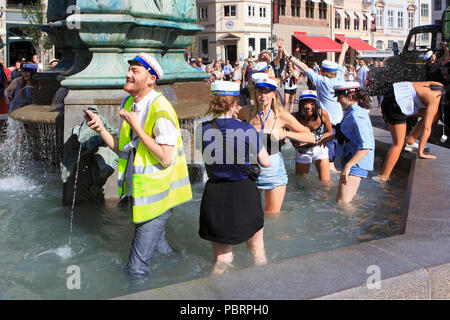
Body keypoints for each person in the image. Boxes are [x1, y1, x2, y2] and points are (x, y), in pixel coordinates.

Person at [84, 53, 192, 279]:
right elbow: (123, 149)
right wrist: (100, 129)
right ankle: (186, 273)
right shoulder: (129, 103)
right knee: (161, 251)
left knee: (136, 269)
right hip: (145, 195)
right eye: (129, 69)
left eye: (135, 70)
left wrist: (137, 127)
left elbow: (165, 157)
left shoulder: (161, 108)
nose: (128, 74)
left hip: (158, 197)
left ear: (151, 79)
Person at [197, 81, 270, 275]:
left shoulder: (202, 129)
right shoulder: (246, 129)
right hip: (244, 192)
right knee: (257, 251)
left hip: (215, 194)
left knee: (223, 260)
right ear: (234, 103)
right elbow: (266, 162)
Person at [238, 75, 315, 214]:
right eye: (260, 91)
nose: (263, 95)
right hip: (250, 172)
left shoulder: (281, 116)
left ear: (274, 94)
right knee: (249, 215)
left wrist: (286, 134)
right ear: (255, 93)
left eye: (267, 92)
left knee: (272, 217)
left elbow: (310, 137)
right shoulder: (246, 112)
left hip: (274, 173)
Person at [288, 41, 349, 172]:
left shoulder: (322, 81)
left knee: (328, 157)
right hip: (341, 122)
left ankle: (330, 180)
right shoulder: (339, 78)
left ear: (322, 71)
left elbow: (304, 67)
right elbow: (340, 63)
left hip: (328, 123)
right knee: (337, 152)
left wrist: (289, 56)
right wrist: (343, 50)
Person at [376, 81, 443, 182]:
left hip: (396, 92)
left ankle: (410, 141)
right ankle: (382, 177)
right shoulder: (435, 99)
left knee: (434, 116)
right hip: (395, 102)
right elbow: (426, 127)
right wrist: (421, 152)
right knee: (399, 144)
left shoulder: (439, 86)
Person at [332, 82, 374, 203]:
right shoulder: (351, 111)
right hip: (351, 158)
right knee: (348, 199)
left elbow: (366, 146)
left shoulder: (357, 115)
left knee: (342, 203)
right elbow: (349, 133)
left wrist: (348, 166)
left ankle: (355, 220)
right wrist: (328, 138)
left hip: (357, 163)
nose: (337, 101)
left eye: (339, 97)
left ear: (349, 97)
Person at [291, 90, 333, 184]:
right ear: (300, 104)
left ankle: (323, 198)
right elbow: (285, 131)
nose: (309, 107)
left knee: (326, 183)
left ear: (315, 104)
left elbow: (330, 133)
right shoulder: (294, 117)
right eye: (305, 103)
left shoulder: (322, 114)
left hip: (320, 149)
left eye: (311, 103)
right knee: (301, 184)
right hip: (302, 152)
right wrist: (294, 143)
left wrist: (315, 140)